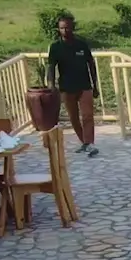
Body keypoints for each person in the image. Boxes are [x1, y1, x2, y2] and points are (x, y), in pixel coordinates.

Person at [45, 13, 99, 156]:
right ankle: (84, 142)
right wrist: (51, 84)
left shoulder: (81, 44)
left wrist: (95, 85)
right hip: (66, 87)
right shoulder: (55, 47)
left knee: (87, 116)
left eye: (68, 28)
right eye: (62, 28)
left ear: (72, 28)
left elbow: (91, 64)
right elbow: (51, 67)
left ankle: (90, 143)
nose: (65, 31)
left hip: (84, 85)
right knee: (74, 117)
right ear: (58, 29)